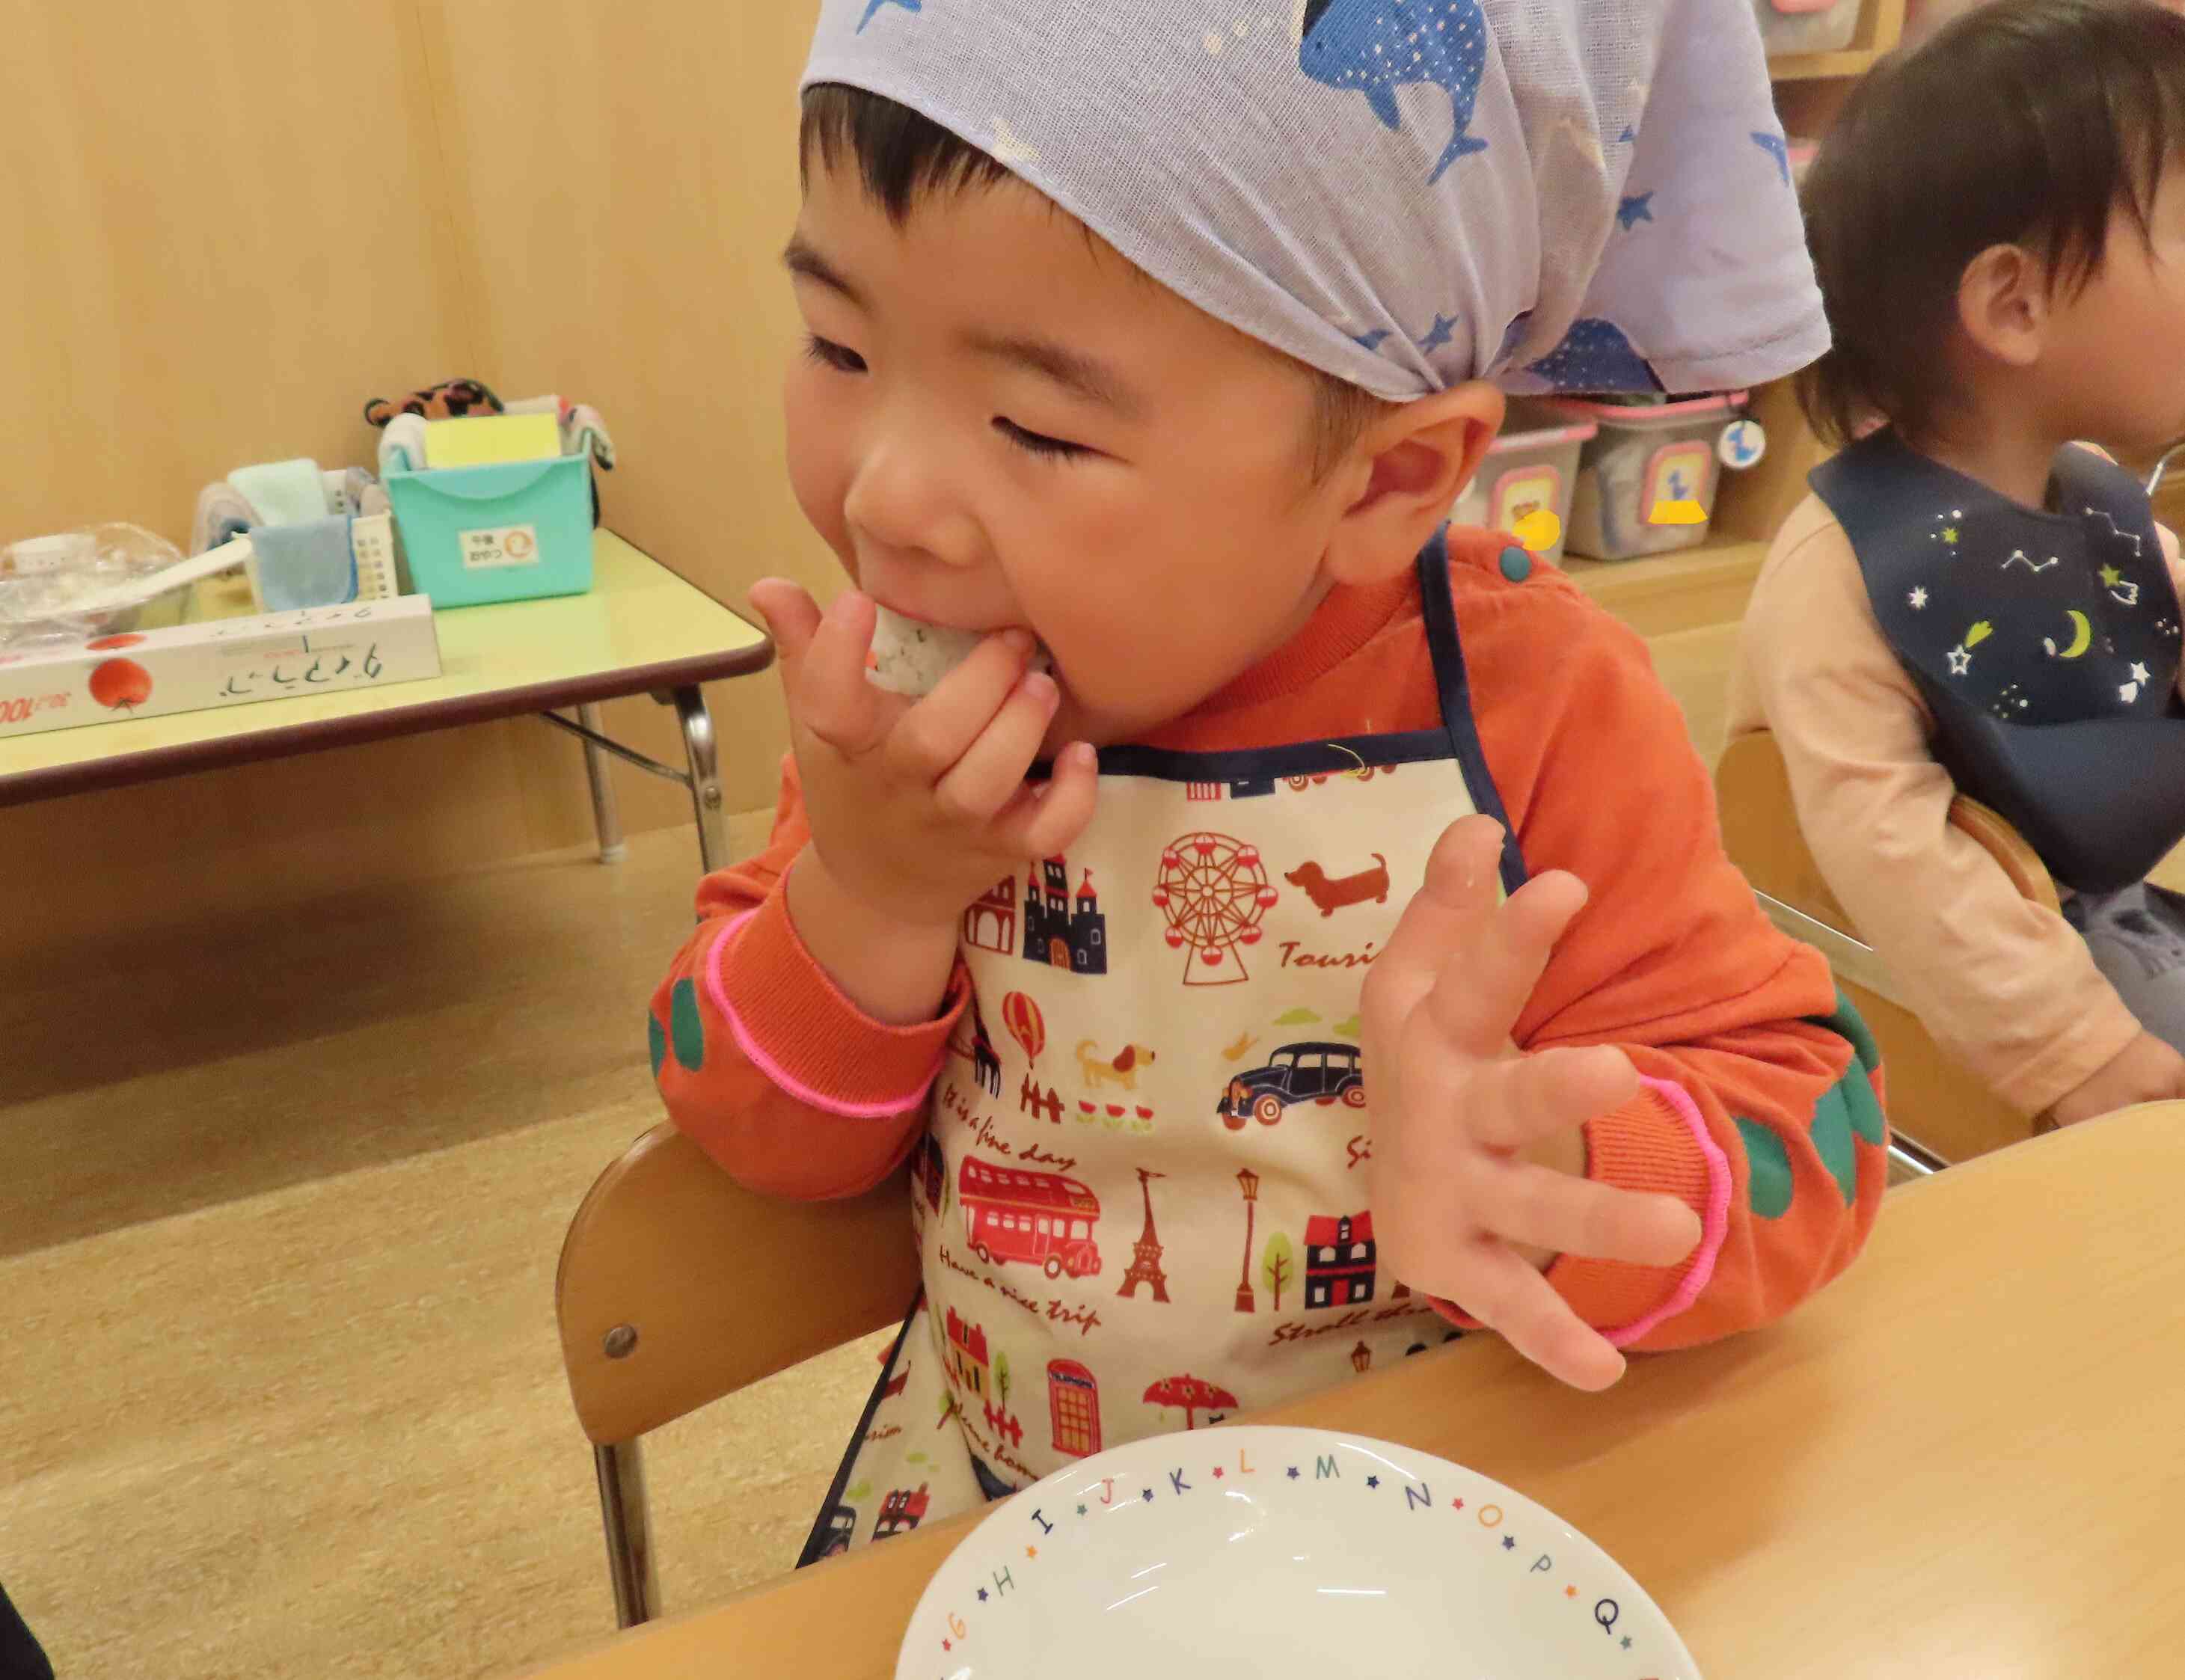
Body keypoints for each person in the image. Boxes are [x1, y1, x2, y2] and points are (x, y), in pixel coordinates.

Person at [653, 0, 1887, 1560]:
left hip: (1432, 1534)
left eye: (1033, 424)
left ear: (1385, 478)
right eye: (838, 345)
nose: (885, 495)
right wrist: (873, 893)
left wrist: (1564, 1161)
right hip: (1007, 1527)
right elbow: (746, 1126)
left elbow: (1825, 1136)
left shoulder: (1541, 708)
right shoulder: (895, 724)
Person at [1728, 0, 2185, 1129]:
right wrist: (2070, 1053)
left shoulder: (2097, 507)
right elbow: (1885, 849)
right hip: (1934, 977)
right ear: (2013, 303)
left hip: (2097, 904)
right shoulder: (1844, 570)